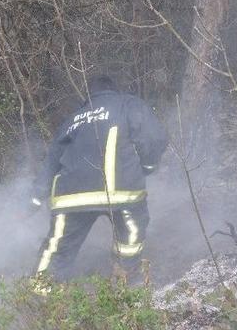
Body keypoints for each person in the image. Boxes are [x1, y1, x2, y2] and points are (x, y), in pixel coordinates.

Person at [32, 75, 168, 281]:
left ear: (90, 96)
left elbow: (51, 160)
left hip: (70, 197)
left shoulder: (74, 118)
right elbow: (153, 137)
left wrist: (34, 198)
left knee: (57, 249)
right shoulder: (128, 104)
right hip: (122, 193)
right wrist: (147, 167)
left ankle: (38, 300)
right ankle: (124, 283)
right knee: (129, 241)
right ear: (114, 90)